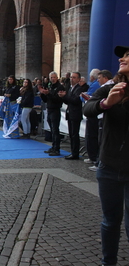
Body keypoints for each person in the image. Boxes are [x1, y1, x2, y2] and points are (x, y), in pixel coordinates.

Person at [83, 45, 129, 266]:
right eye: (122, 55)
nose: (122, 58)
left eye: (128, 56)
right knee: (110, 221)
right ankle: (107, 262)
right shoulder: (112, 86)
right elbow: (89, 108)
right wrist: (107, 103)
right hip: (109, 165)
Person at [58, 72, 84, 160]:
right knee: (71, 134)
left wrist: (66, 96)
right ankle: (72, 152)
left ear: (78, 79)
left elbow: (76, 100)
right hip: (70, 113)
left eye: (74, 77)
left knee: (74, 134)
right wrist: (63, 97)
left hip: (75, 113)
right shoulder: (70, 88)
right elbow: (68, 101)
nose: (72, 79)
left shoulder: (79, 89)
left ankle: (75, 153)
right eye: (71, 77)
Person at [39, 71, 65, 156]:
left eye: (54, 77)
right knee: (52, 129)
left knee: (55, 130)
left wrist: (49, 93)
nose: (52, 79)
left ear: (57, 78)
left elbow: (57, 99)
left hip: (55, 109)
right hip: (49, 109)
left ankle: (57, 148)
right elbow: (46, 100)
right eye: (51, 77)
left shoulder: (59, 87)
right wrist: (42, 94)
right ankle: (53, 147)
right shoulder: (49, 86)